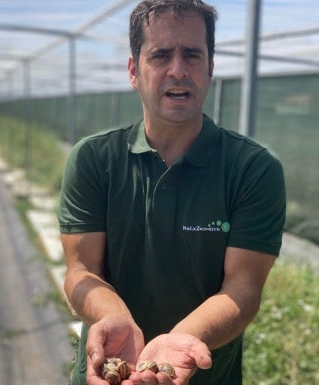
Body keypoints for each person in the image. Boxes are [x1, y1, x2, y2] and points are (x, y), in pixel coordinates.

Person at [57, 1, 286, 384]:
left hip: (201, 375)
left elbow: (243, 287)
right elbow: (81, 270)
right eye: (161, 55)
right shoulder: (95, 159)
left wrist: (184, 339)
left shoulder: (253, 168)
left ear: (211, 68)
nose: (178, 70)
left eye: (193, 55)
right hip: (109, 373)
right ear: (134, 70)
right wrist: (112, 316)